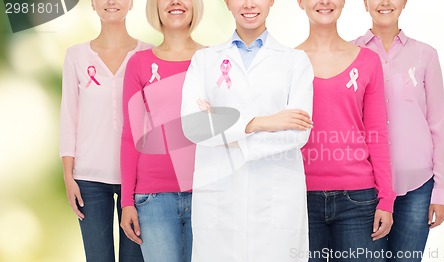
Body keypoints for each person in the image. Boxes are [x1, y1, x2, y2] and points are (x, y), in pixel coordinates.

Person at [180, 0, 314, 261]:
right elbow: (194, 126)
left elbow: (298, 132)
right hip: (220, 199)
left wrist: (223, 131)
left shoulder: (295, 61)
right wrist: (261, 123)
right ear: (228, 3)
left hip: (275, 200)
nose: (249, 4)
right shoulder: (204, 60)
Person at [296, 0, 396, 261]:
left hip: (359, 201)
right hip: (299, 197)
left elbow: (377, 134)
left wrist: (386, 199)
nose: (325, 2)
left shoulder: (368, 62)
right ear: (300, 3)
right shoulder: (288, 63)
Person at [352, 0, 444, 261]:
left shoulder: (425, 55)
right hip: (365, 189)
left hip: (417, 187)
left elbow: (437, 124)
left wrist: (441, 192)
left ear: (405, 2)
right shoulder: (350, 53)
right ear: (364, 3)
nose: (384, 3)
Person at [59, 0, 151, 261]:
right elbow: (68, 117)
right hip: (88, 179)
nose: (112, 2)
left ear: (131, 3)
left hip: (138, 178)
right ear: (92, 4)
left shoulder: (149, 54)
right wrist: (68, 176)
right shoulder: (76, 56)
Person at [119, 0, 204, 261]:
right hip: (153, 198)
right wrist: (126, 202)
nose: (176, 2)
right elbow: (129, 134)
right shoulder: (139, 63)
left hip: (206, 193)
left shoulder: (213, 59)